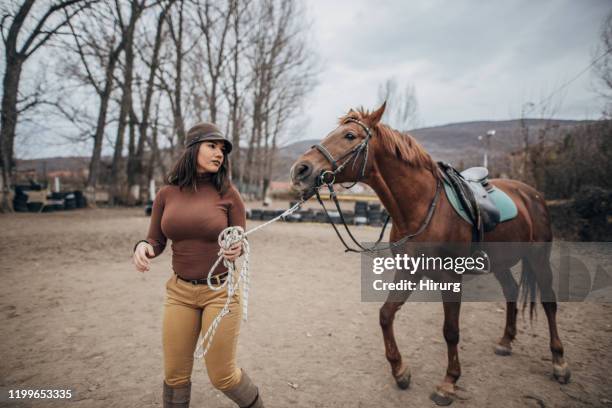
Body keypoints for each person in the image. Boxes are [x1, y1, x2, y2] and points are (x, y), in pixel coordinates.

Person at [132, 123, 264, 408]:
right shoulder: (167, 193)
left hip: (221, 293)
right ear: (193, 149)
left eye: (222, 150)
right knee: (175, 376)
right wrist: (143, 246)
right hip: (179, 294)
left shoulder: (229, 194)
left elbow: (238, 240)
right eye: (212, 146)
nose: (219, 154)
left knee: (223, 377)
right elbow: (156, 240)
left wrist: (236, 248)